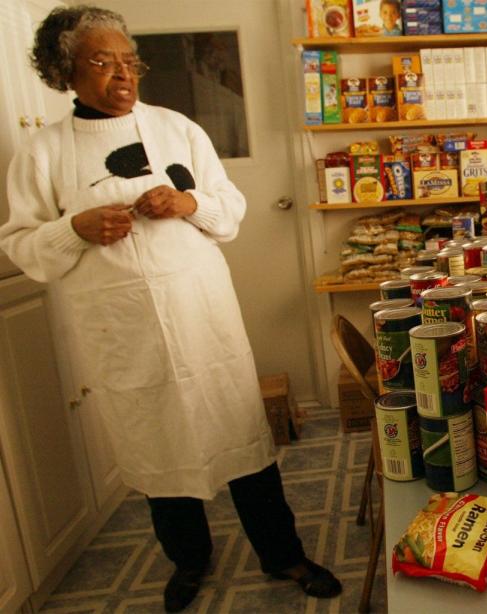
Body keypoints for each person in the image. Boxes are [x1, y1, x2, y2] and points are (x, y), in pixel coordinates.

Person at [0, 6, 341, 612]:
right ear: (64, 72)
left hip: (200, 317)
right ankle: (189, 561)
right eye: (102, 62)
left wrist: (189, 203)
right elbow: (23, 246)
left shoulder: (176, 128)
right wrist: (73, 228)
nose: (122, 75)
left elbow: (228, 208)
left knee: (240, 434)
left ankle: (283, 553)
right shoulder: (43, 152)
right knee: (157, 446)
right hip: (120, 330)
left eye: (129, 61)